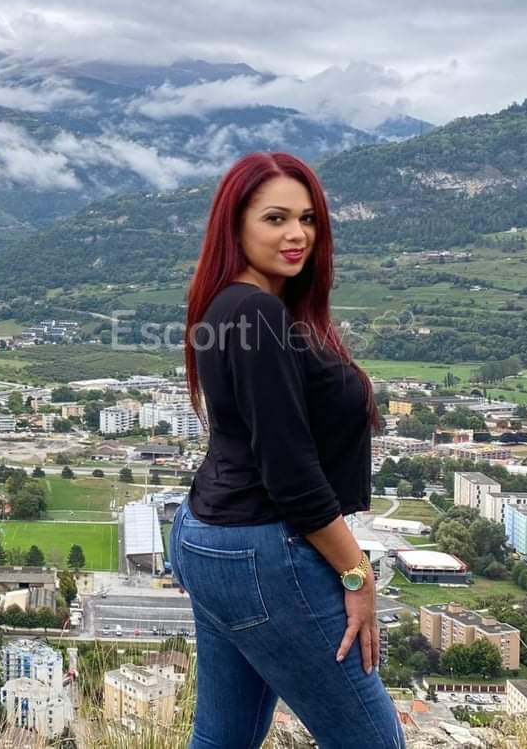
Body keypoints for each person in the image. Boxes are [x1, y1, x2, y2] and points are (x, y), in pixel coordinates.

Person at [169, 152, 405, 747]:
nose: (297, 234)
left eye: (308, 219)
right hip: (262, 548)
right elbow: (290, 474)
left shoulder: (228, 305)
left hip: (210, 535)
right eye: (275, 219)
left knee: (224, 739)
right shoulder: (257, 312)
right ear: (236, 226)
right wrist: (357, 574)